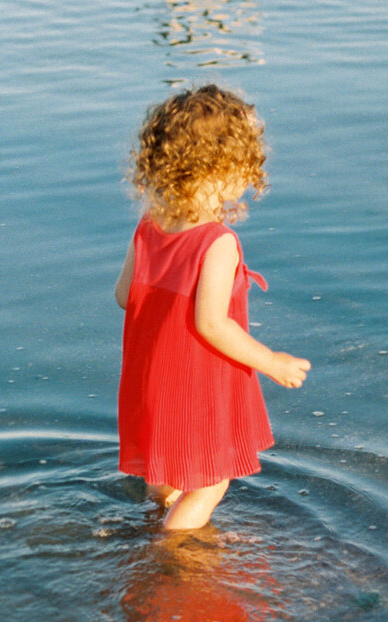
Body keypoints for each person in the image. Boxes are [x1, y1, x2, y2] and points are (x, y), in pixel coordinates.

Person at [114, 84, 310, 531]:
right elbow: (212, 324)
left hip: (150, 383)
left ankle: (155, 517)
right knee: (210, 482)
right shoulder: (217, 242)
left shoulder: (150, 224)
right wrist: (272, 362)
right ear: (226, 169)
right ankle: (173, 551)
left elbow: (125, 296)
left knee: (164, 472)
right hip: (194, 388)